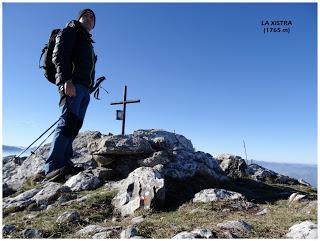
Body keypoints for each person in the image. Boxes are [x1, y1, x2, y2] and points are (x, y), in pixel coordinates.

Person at [44, 9, 97, 182]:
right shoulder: (70, 31)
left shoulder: (87, 41)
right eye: (86, 16)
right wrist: (66, 80)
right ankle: (52, 168)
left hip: (84, 89)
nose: (89, 19)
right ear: (79, 18)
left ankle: (65, 163)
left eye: (92, 17)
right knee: (66, 123)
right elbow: (59, 56)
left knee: (74, 126)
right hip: (71, 85)